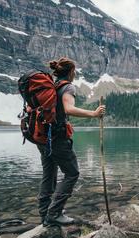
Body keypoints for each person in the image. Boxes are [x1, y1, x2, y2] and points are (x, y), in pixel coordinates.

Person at [37, 57, 105, 226]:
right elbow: (69, 109)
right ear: (71, 72)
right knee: (72, 173)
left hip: (43, 137)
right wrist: (94, 114)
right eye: (75, 71)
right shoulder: (67, 86)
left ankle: (45, 214)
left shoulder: (51, 86)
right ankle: (54, 213)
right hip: (58, 139)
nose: (75, 73)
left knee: (49, 174)